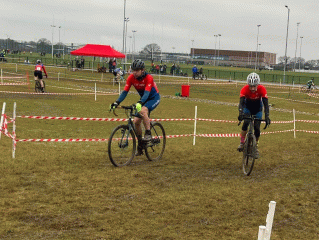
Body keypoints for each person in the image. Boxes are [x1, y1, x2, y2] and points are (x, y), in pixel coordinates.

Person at [110, 59, 160, 156]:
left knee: (143, 111)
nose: (134, 72)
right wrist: (116, 102)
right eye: (133, 70)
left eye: (137, 70)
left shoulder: (149, 78)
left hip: (153, 98)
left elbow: (147, 93)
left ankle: (148, 133)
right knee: (136, 122)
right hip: (144, 99)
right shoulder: (131, 78)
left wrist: (140, 102)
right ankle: (141, 145)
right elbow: (125, 92)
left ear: (142, 70)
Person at [237, 72, 271, 158]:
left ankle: (255, 147)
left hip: (258, 109)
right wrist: (241, 113)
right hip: (247, 108)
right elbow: (241, 103)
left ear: (258, 85)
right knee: (246, 123)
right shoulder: (244, 89)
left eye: (254, 86)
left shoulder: (262, 89)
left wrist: (267, 116)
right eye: (250, 86)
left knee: (257, 128)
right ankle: (241, 143)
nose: (252, 88)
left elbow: (266, 104)